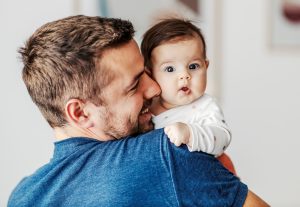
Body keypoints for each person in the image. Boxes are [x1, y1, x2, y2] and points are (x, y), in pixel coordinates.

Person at [8, 15, 269, 206]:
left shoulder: (22, 196)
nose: (155, 88)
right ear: (80, 113)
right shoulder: (166, 153)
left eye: (147, 72)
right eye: (134, 86)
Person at [141, 18, 236, 174]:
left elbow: (222, 138)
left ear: (206, 67)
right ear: (150, 74)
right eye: (170, 69)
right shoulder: (146, 107)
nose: (184, 75)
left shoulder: (204, 106)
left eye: (193, 66)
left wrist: (190, 133)